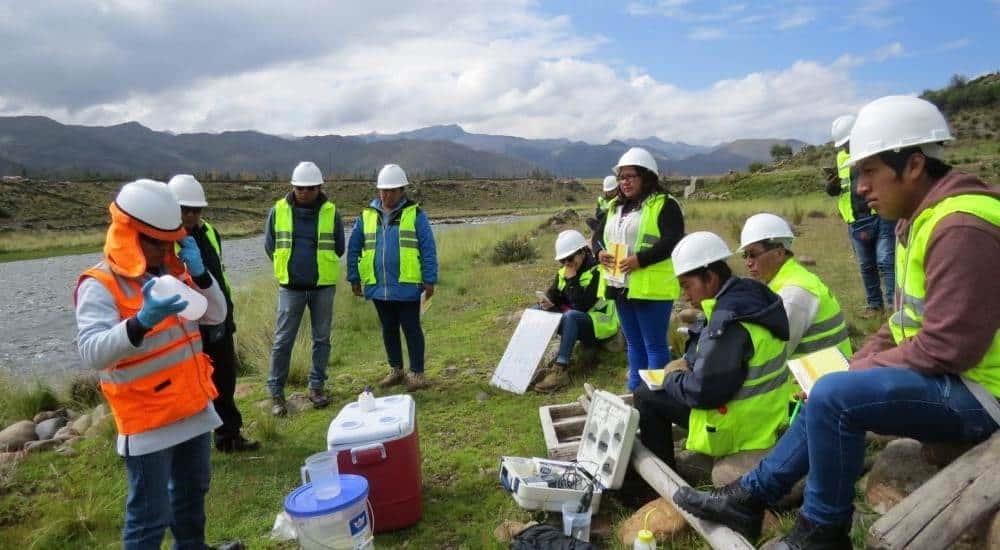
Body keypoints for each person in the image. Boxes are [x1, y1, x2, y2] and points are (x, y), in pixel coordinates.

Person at [674, 95, 1000, 549]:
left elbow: (949, 347)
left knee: (835, 395)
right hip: (958, 379)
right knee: (829, 387)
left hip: (983, 393)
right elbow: (905, 320)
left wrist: (859, 372)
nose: (859, 186)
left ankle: (822, 532)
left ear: (913, 165)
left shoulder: (960, 227)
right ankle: (750, 497)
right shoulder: (923, 219)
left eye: (869, 171)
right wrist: (860, 360)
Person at [74, 179, 229, 549]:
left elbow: (216, 314)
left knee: (192, 497)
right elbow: (92, 352)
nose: (164, 249)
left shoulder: (173, 274)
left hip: (192, 409)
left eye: (169, 241)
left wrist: (202, 275)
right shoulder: (100, 284)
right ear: (129, 235)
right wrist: (140, 321)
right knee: (149, 517)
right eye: (155, 241)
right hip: (148, 422)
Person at [632, 231, 792, 468]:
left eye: (687, 286)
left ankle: (663, 475)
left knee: (646, 395)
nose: (685, 295)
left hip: (744, 429)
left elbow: (702, 393)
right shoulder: (750, 295)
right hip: (767, 416)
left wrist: (672, 376)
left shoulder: (728, 323)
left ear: (710, 277)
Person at [167, 174, 259, 453]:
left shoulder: (208, 232)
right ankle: (186, 445)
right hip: (186, 325)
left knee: (224, 380)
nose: (192, 215)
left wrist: (226, 310)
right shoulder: (163, 241)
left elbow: (218, 274)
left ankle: (228, 436)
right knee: (189, 385)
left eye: (196, 210)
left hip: (218, 316)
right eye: (185, 209)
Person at [593, 147, 685, 391]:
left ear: (646, 177)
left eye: (631, 176)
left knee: (653, 346)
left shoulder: (664, 204)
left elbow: (673, 239)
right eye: (622, 177)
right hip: (620, 286)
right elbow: (597, 236)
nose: (625, 182)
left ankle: (655, 398)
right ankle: (635, 392)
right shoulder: (614, 207)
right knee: (634, 344)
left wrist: (640, 260)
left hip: (651, 289)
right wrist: (598, 252)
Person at [347, 164, 438, 392]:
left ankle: (417, 373)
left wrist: (430, 279)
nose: (385, 195)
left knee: (411, 328)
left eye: (391, 190)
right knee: (388, 328)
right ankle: (396, 370)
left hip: (407, 286)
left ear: (402, 191)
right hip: (378, 287)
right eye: (382, 190)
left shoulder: (416, 215)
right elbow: (354, 247)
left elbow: (428, 249)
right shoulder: (366, 216)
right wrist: (354, 277)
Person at [264, 161, 344, 416]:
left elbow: (339, 247)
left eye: (309, 188)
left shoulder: (332, 212)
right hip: (291, 287)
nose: (304, 192)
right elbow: (270, 246)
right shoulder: (278, 211)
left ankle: (316, 387)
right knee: (282, 340)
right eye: (300, 188)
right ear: (293, 187)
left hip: (322, 287)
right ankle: (276, 393)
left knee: (321, 339)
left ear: (319, 187)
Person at [738, 213, 852, 360]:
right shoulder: (787, 280)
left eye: (753, 254)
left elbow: (772, 356)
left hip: (814, 379)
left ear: (779, 253)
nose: (748, 262)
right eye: (745, 255)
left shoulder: (794, 295)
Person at [826, 114, 897, 318]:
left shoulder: (876, 152)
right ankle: (875, 307)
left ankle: (894, 307)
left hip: (880, 214)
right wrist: (831, 186)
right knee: (866, 266)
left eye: (848, 142)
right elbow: (841, 190)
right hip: (855, 219)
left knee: (886, 261)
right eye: (843, 144)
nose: (846, 148)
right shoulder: (841, 158)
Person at [532, 229, 619, 392]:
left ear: (583, 252)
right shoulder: (564, 272)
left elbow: (582, 306)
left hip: (599, 326)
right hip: (576, 320)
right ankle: (529, 366)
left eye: (570, 258)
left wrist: (572, 280)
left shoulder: (599, 272)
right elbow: (554, 295)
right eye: (563, 260)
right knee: (536, 311)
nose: (567, 263)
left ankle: (560, 370)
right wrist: (547, 302)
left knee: (570, 316)